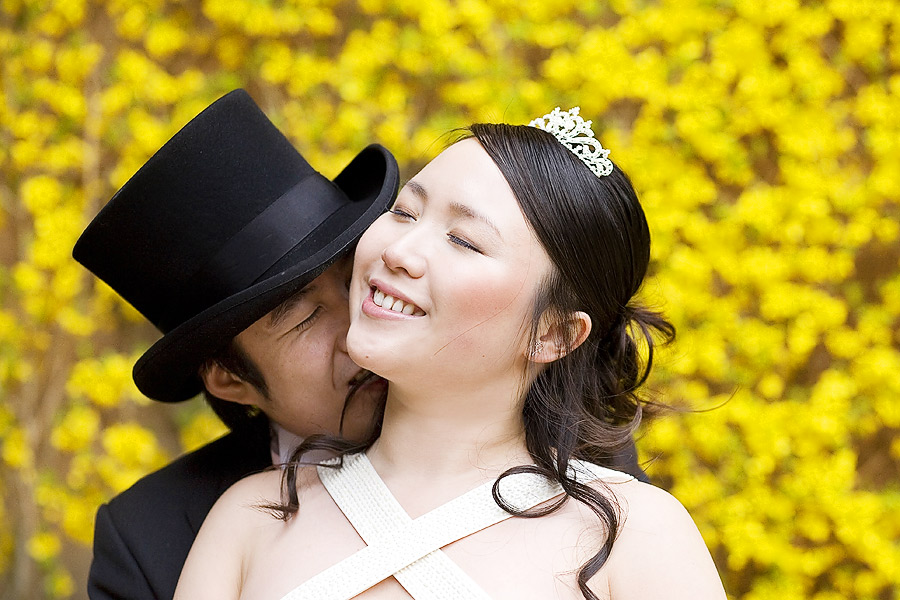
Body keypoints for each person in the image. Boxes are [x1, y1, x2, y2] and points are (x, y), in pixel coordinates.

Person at [174, 108, 727, 599]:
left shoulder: (637, 536)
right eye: (405, 213)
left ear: (553, 334)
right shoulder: (249, 520)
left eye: (464, 240)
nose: (398, 251)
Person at [73, 89, 400, 600]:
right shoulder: (149, 538)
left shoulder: (512, 426)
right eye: (307, 317)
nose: (359, 328)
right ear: (230, 379)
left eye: (355, 277)